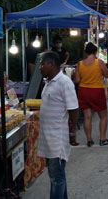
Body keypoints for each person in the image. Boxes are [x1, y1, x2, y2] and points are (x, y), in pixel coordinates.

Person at [38, 51, 79, 198]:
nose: (40, 67)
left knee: (57, 178)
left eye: (43, 64)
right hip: (48, 138)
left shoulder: (64, 82)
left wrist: (72, 132)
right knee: (57, 177)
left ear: (52, 64)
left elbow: (73, 108)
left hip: (57, 138)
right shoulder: (49, 81)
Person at [73, 42, 108, 147]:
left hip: (83, 90)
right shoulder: (99, 63)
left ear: (86, 52)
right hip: (96, 90)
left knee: (87, 116)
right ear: (95, 52)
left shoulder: (80, 64)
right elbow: (107, 75)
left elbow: (77, 80)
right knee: (103, 116)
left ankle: (89, 140)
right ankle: (102, 139)